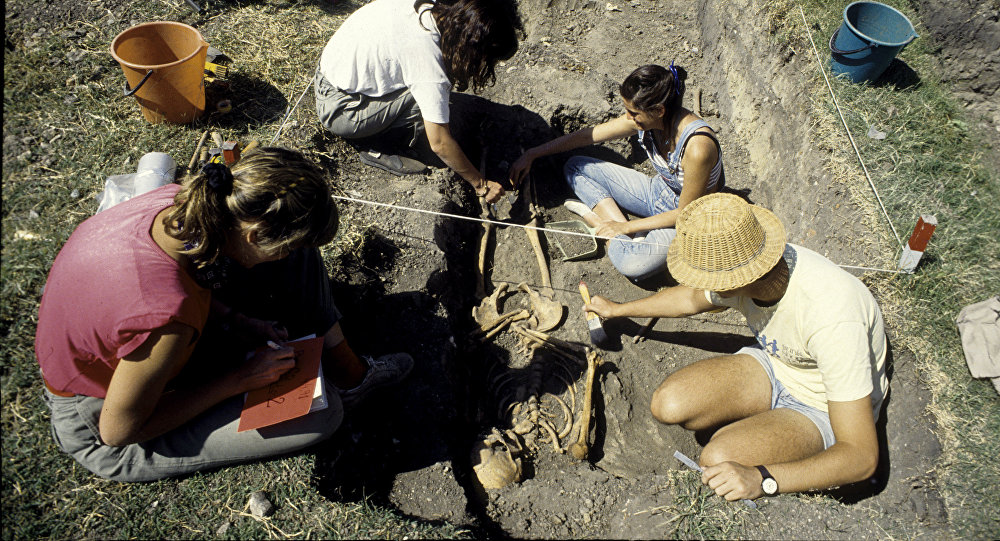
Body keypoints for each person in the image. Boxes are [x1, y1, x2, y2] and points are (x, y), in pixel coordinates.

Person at [34, 148, 413, 482]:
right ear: (252, 236)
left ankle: (349, 371)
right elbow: (118, 431)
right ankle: (339, 384)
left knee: (300, 254)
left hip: (133, 353)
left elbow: (170, 281)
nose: (284, 254)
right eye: (279, 247)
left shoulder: (178, 203)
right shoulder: (168, 320)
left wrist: (236, 321)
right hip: (98, 419)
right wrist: (239, 379)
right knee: (321, 416)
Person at [584, 193, 888, 500]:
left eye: (704, 277)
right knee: (668, 404)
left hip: (822, 407)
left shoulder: (832, 317)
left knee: (716, 461)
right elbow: (689, 299)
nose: (702, 285)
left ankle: (773, 442)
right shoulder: (752, 267)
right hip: (777, 363)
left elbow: (861, 457)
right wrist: (618, 310)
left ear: (731, 281)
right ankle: (764, 431)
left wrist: (764, 479)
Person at [510, 63, 724, 281]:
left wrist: (625, 225)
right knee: (575, 167)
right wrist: (534, 154)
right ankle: (622, 232)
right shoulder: (650, 120)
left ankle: (601, 223)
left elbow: (684, 213)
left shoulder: (697, 147)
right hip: (659, 193)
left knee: (633, 265)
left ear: (659, 110)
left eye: (633, 113)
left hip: (688, 219)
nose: (627, 118)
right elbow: (588, 136)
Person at [315, 0, 519, 203]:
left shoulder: (429, 8)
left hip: (330, 72)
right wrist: (481, 185)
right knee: (425, 104)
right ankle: (376, 146)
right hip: (341, 108)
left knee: (433, 97)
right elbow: (439, 142)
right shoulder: (427, 62)